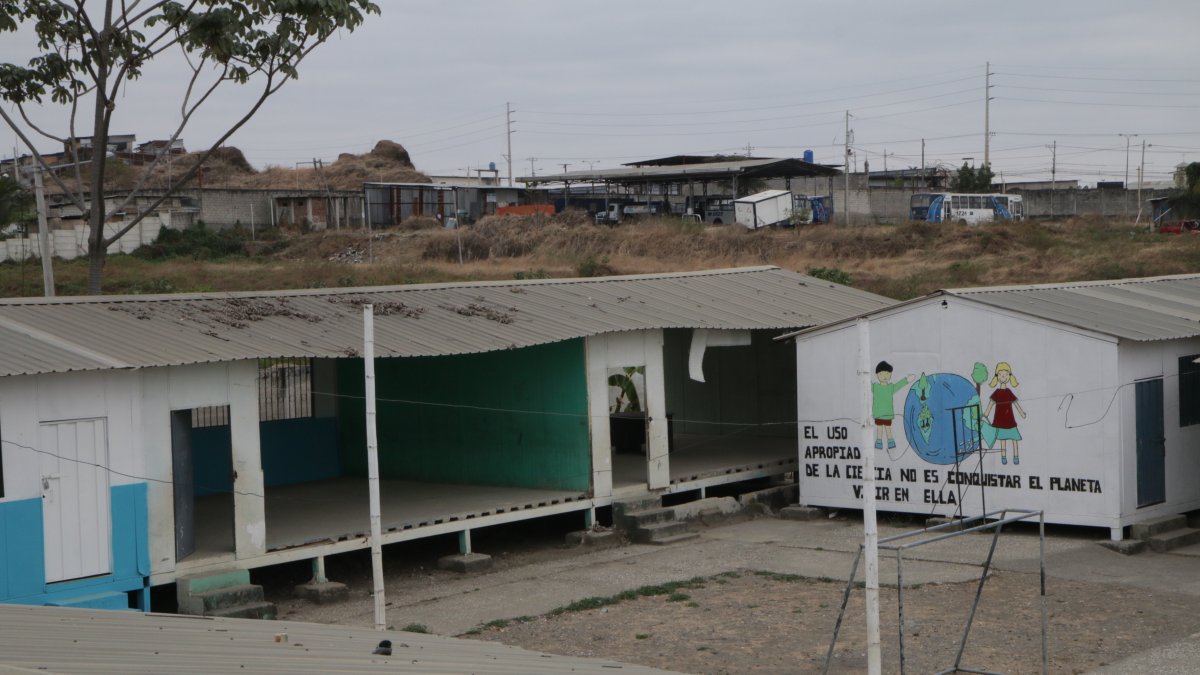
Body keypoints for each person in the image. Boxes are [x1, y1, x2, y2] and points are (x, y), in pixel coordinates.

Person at [984, 361, 1026, 465]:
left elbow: (1016, 404)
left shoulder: (1009, 392)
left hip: (1010, 421)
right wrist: (985, 414)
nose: (1004, 376)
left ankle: (1016, 457)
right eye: (1001, 375)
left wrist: (1022, 413)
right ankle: (1003, 457)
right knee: (1003, 440)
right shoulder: (997, 393)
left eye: (1006, 374)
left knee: (1014, 439)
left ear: (1009, 376)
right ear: (997, 376)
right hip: (1000, 422)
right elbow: (990, 404)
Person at [871, 361, 914, 450]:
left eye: (887, 373)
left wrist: (907, 379)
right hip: (878, 413)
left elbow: (899, 385)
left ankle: (890, 441)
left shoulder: (890, 387)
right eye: (882, 373)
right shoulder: (875, 387)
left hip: (887, 414)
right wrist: (862, 374)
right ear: (877, 375)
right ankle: (879, 441)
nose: (884, 376)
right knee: (879, 428)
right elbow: (867, 384)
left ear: (890, 374)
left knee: (888, 428)